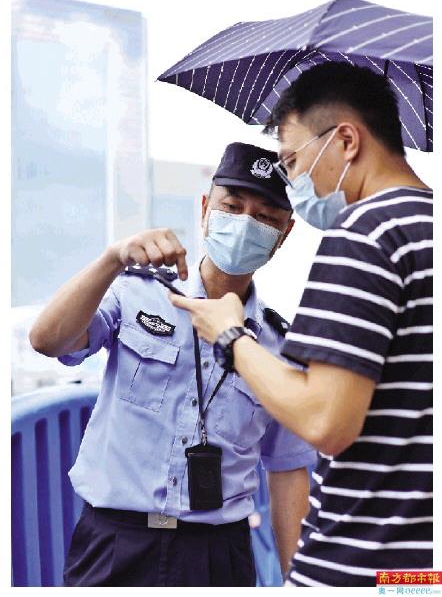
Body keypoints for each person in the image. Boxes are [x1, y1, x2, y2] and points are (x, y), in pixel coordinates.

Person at [170, 62, 433, 587]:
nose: (292, 181)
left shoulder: (365, 234)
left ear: (346, 141)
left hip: (360, 557)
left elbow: (324, 422)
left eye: (291, 159)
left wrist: (232, 337)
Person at [29, 142, 317, 587]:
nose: (245, 224)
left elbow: (287, 471)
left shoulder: (281, 348)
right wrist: (111, 258)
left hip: (218, 554)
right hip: (114, 543)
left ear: (285, 233)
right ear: (205, 208)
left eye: (265, 217)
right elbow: (48, 341)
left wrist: (297, 584)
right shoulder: (136, 291)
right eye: (232, 207)